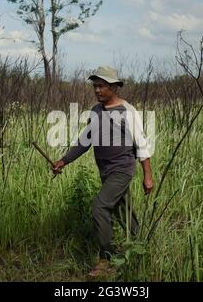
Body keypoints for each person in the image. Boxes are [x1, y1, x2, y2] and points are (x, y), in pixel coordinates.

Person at [51, 66, 153, 277]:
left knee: (100, 206)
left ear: (114, 87)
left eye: (102, 86)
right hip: (105, 171)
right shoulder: (96, 112)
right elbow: (85, 141)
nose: (97, 90)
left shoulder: (128, 111)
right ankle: (143, 246)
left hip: (122, 169)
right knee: (123, 210)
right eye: (95, 86)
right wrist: (64, 160)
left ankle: (106, 259)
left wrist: (147, 176)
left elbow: (142, 144)